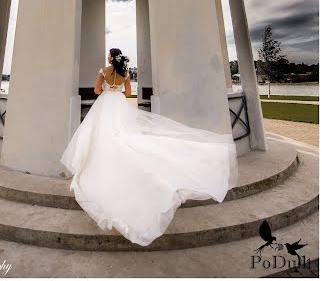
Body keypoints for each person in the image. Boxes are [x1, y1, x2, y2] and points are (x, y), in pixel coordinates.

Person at [60, 47, 238, 247]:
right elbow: (128, 93)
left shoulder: (103, 70)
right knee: (123, 135)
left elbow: (96, 91)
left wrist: (106, 87)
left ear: (110, 57)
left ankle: (104, 164)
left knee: (101, 136)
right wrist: (117, 89)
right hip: (118, 104)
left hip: (104, 105)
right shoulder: (125, 73)